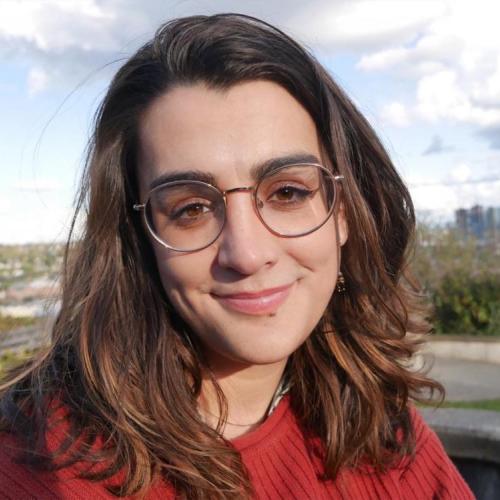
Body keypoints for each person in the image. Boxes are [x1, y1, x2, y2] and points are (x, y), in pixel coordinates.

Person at [0, 13, 473, 500]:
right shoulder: (40, 471)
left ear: (344, 214)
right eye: (192, 209)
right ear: (139, 236)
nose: (246, 254)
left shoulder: (374, 424)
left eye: (288, 192)